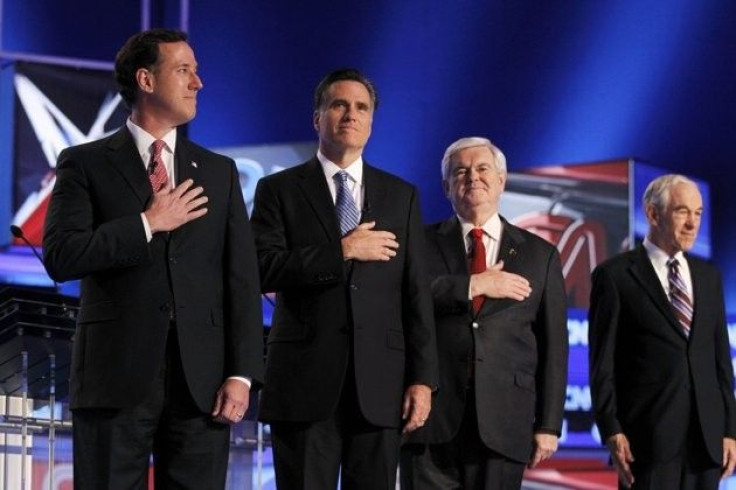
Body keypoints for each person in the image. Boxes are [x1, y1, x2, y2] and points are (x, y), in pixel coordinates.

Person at [42, 28, 264, 489]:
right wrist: (147, 223)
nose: (197, 83)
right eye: (184, 71)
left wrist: (241, 373)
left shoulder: (219, 172)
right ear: (146, 80)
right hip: (114, 378)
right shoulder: (84, 163)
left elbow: (240, 280)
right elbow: (62, 255)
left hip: (202, 385)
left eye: (196, 72)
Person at [250, 68, 438, 490]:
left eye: (361, 107)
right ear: (317, 118)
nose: (350, 115)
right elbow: (262, 268)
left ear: (371, 123)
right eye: (338, 105)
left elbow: (416, 293)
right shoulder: (278, 190)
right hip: (303, 384)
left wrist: (423, 379)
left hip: (380, 388)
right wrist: (341, 251)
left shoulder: (401, 195)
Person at [401, 137, 568, 489]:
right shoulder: (418, 242)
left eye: (482, 169)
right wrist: (472, 286)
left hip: (505, 422)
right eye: (460, 171)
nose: (472, 177)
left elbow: (554, 347)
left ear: (502, 180)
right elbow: (403, 300)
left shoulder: (541, 255)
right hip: (429, 419)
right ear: (446, 186)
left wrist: (549, 424)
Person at [589, 174, 736, 489]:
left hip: (706, 443)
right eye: (682, 211)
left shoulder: (709, 276)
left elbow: (721, 363)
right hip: (646, 442)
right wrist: (612, 429)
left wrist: (729, 430)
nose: (692, 224)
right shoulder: (615, 276)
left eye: (698, 213)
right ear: (653, 214)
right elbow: (603, 365)